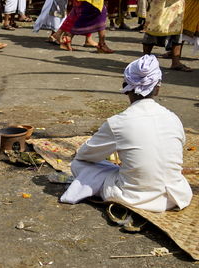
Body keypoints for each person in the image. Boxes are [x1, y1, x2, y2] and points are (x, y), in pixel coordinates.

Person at [60, 54, 193, 214]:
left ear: (125, 87)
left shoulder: (118, 122)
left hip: (135, 197)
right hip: (176, 196)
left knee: (78, 164)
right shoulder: (173, 118)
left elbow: (85, 155)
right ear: (157, 89)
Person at [142, 0, 191, 71]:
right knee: (153, 30)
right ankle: (144, 61)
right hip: (158, 5)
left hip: (176, 6)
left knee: (176, 31)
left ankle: (175, 62)